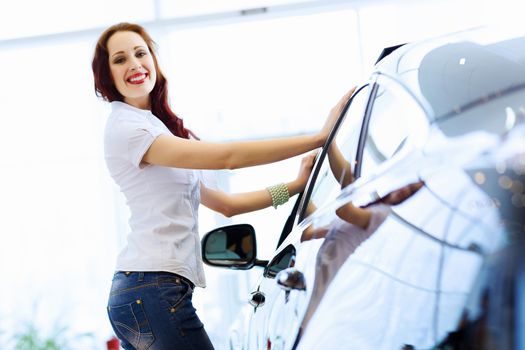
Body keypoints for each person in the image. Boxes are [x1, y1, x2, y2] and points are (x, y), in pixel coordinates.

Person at [91, 22, 354, 350]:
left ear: (154, 61)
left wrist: (295, 186)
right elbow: (227, 157)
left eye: (140, 53)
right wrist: (318, 138)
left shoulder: (159, 129)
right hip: (150, 288)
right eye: (119, 59)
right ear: (107, 76)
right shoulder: (128, 129)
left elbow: (225, 204)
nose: (134, 63)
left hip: (144, 292)